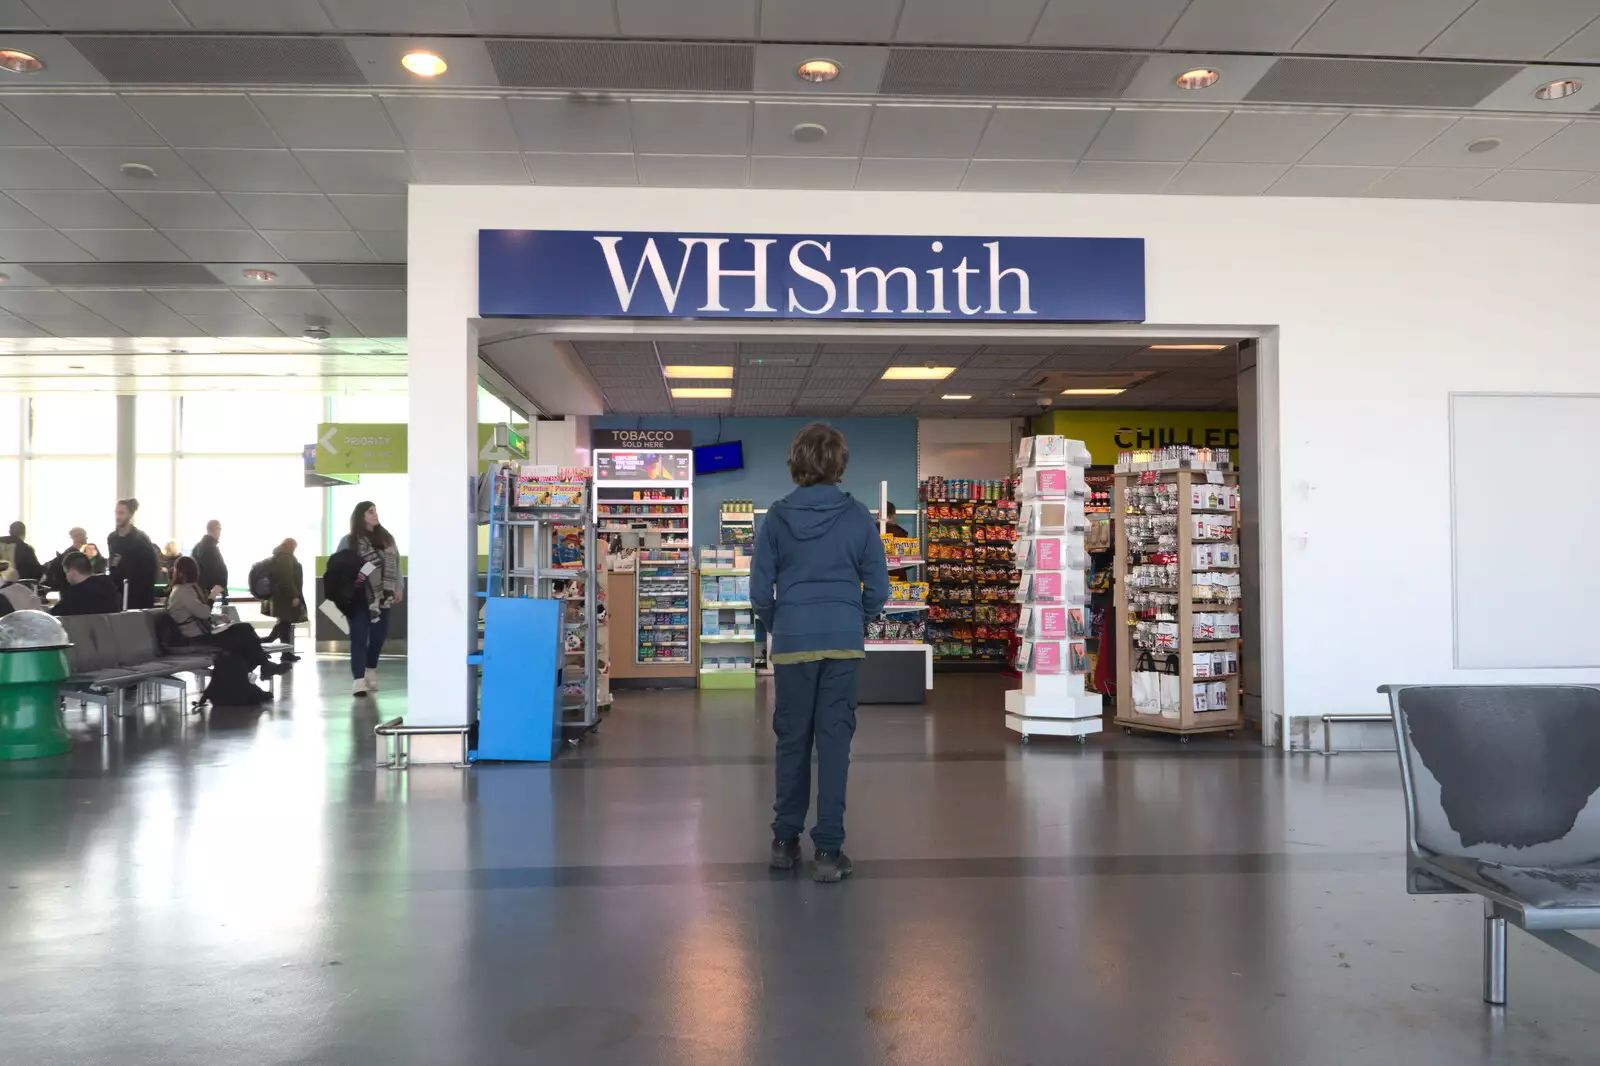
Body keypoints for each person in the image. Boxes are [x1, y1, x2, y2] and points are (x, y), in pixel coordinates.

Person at [752, 423, 889, 884]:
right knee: (834, 743)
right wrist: (856, 617)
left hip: (792, 642)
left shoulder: (775, 517)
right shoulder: (858, 517)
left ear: (796, 462)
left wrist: (780, 625)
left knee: (791, 741)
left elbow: (758, 592)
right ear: (839, 463)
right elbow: (880, 587)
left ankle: (784, 842)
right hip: (842, 643)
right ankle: (829, 851)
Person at [165, 556, 287, 678]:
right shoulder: (182, 592)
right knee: (244, 632)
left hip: (200, 633)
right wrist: (213, 595)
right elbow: (203, 613)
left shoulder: (185, 590)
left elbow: (196, 614)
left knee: (245, 630)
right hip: (195, 637)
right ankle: (259, 667)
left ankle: (259, 667)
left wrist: (218, 617)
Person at [339, 501, 402, 696]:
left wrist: (398, 587)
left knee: (378, 636)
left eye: (375, 511)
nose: (375, 515)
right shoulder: (348, 541)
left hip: (383, 596)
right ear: (361, 516)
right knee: (358, 636)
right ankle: (358, 680)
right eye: (370, 512)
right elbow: (338, 567)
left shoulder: (387, 539)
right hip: (357, 597)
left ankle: (370, 668)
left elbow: (396, 565)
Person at [107, 498, 158, 610]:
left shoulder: (141, 540)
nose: (118, 516)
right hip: (119, 595)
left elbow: (150, 569)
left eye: (121, 513)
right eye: (116, 512)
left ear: (130, 514)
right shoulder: (112, 538)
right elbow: (113, 564)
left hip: (138, 597)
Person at [264, 537, 305, 662]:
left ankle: (270, 645)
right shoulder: (285, 557)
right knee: (284, 625)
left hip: (280, 597)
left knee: (283, 624)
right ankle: (284, 653)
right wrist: (294, 595)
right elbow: (286, 578)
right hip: (285, 597)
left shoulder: (280, 556)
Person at [51, 551, 121, 616]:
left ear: (73, 571)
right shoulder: (108, 586)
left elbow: (53, 616)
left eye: (66, 572)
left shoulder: (74, 596)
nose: (66, 577)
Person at [192, 519, 227, 599]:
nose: (220, 533)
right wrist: (216, 591)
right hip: (212, 594)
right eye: (219, 529)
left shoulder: (200, 547)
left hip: (209, 592)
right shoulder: (209, 548)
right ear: (214, 529)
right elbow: (212, 572)